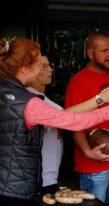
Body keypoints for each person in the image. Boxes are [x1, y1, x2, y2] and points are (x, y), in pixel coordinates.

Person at [0, 37, 109, 206]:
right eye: (40, 64)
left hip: (6, 183)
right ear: (26, 69)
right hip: (18, 189)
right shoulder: (28, 103)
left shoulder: (4, 91)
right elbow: (72, 121)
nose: (45, 68)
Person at [65, 32, 109, 206]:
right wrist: (87, 151)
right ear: (90, 54)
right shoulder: (78, 81)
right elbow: (71, 121)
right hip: (93, 162)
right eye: (104, 51)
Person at [27, 55, 63, 195]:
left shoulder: (42, 98)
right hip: (42, 179)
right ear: (28, 70)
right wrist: (101, 99)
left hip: (49, 176)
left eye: (49, 65)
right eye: (44, 66)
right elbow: (68, 117)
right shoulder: (32, 100)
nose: (50, 70)